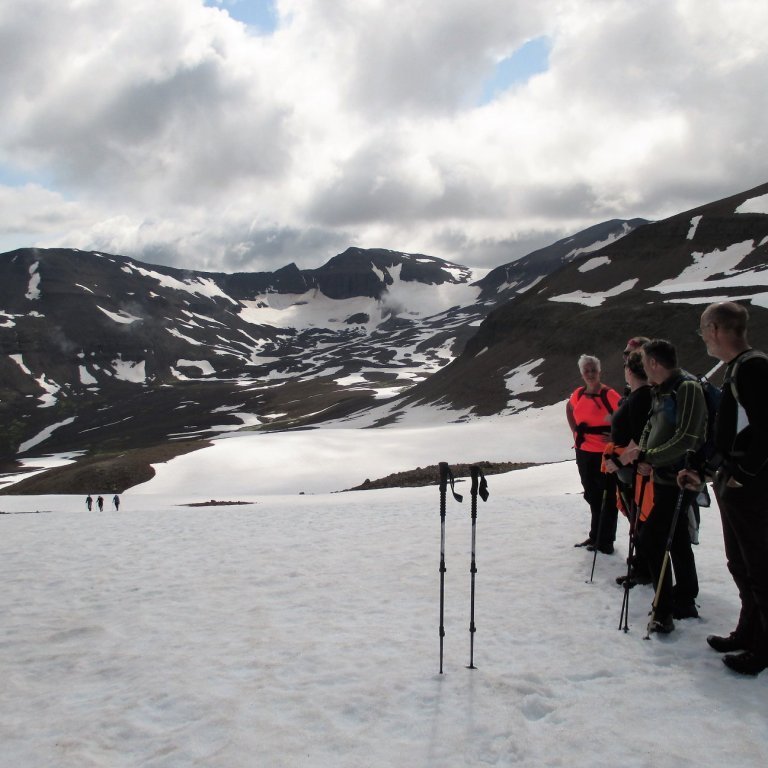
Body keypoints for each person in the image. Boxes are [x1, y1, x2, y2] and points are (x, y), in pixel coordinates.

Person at [679, 301, 768, 675]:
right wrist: (702, 465)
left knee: (760, 566)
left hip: (752, 488)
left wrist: (744, 473)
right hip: (734, 483)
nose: (702, 338)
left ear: (716, 329)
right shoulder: (737, 368)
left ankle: (763, 647)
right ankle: (748, 632)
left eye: (703, 329)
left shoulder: (754, 368)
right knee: (740, 564)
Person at [622, 339, 706, 633]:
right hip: (665, 477)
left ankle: (664, 608)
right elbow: (650, 428)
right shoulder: (663, 391)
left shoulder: (686, 388)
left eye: (644, 361)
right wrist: (645, 456)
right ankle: (684, 600)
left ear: (654, 363)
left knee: (652, 538)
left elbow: (688, 438)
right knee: (678, 538)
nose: (641, 367)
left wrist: (649, 457)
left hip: (679, 479)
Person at [604, 350, 653, 586]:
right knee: (637, 517)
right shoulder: (640, 395)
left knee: (640, 518)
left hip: (633, 469)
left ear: (630, 371)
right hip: (630, 468)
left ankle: (644, 569)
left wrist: (618, 462)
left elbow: (638, 439)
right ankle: (641, 566)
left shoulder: (641, 397)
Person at [566, 354, 622, 553]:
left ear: (599, 372)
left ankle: (606, 541)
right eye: (586, 370)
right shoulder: (579, 394)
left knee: (606, 497)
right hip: (584, 452)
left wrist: (616, 437)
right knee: (591, 495)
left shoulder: (609, 395)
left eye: (593, 370)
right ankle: (595, 536)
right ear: (582, 373)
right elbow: (569, 408)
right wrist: (575, 431)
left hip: (604, 454)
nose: (590, 374)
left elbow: (626, 416)